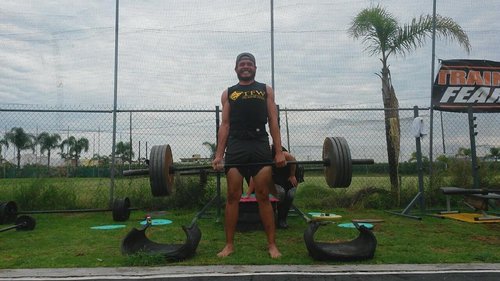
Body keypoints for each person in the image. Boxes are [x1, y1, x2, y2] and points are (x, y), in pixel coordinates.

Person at [212, 52, 286, 259]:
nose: (246, 67)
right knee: (232, 196)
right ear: (236, 68)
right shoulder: (229, 93)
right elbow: (225, 125)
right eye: (242, 64)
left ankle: (272, 245)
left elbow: (273, 121)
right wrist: (219, 155)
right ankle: (229, 245)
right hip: (236, 145)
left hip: (259, 143)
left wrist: (278, 152)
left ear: (255, 68)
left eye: (249, 64)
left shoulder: (265, 90)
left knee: (263, 195)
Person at [245, 146, 303, 229]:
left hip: (289, 172)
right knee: (280, 193)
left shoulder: (278, 152)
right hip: (276, 175)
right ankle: (272, 217)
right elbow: (254, 176)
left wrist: (292, 175)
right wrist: (249, 193)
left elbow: (291, 159)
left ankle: (282, 220)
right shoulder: (260, 158)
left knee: (290, 194)